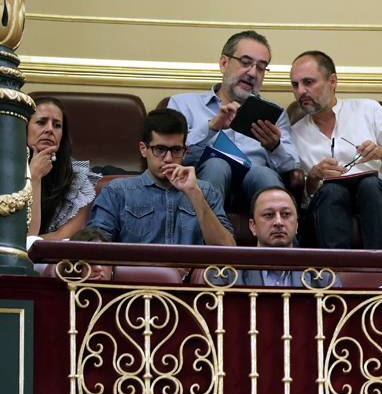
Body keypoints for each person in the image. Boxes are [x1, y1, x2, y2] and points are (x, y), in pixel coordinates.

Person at [289, 50, 382, 249]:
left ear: (332, 81)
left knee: (369, 185)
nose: (301, 91)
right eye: (295, 85)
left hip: (376, 197)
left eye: (308, 82)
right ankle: (334, 275)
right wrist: (312, 178)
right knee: (332, 189)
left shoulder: (368, 109)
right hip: (327, 201)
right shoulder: (294, 134)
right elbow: (302, 199)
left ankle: (380, 270)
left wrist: (381, 152)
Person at [168, 30, 298, 207]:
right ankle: (206, 234)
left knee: (262, 174)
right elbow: (168, 156)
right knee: (216, 166)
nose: (252, 73)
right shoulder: (183, 104)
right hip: (202, 186)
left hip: (254, 191)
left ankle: (281, 234)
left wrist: (274, 147)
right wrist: (211, 127)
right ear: (224, 63)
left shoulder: (274, 114)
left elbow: (291, 167)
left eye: (260, 68)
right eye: (245, 63)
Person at [87, 108, 235, 250]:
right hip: (135, 275)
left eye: (176, 150)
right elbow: (96, 249)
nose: (168, 159)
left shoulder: (205, 192)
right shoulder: (117, 191)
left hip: (190, 276)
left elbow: (228, 252)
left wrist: (194, 194)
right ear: (143, 149)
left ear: (185, 152)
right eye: (160, 150)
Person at [208, 187, 336, 288]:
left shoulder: (322, 276)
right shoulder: (227, 274)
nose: (279, 222)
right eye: (269, 215)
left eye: (286, 214)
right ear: (253, 226)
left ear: (296, 226)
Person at [26, 97, 101, 239]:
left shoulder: (77, 178)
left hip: (52, 258)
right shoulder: (6, 168)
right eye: (41, 122)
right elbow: (26, 237)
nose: (49, 129)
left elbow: (63, 237)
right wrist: (34, 176)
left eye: (57, 125)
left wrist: (36, 178)